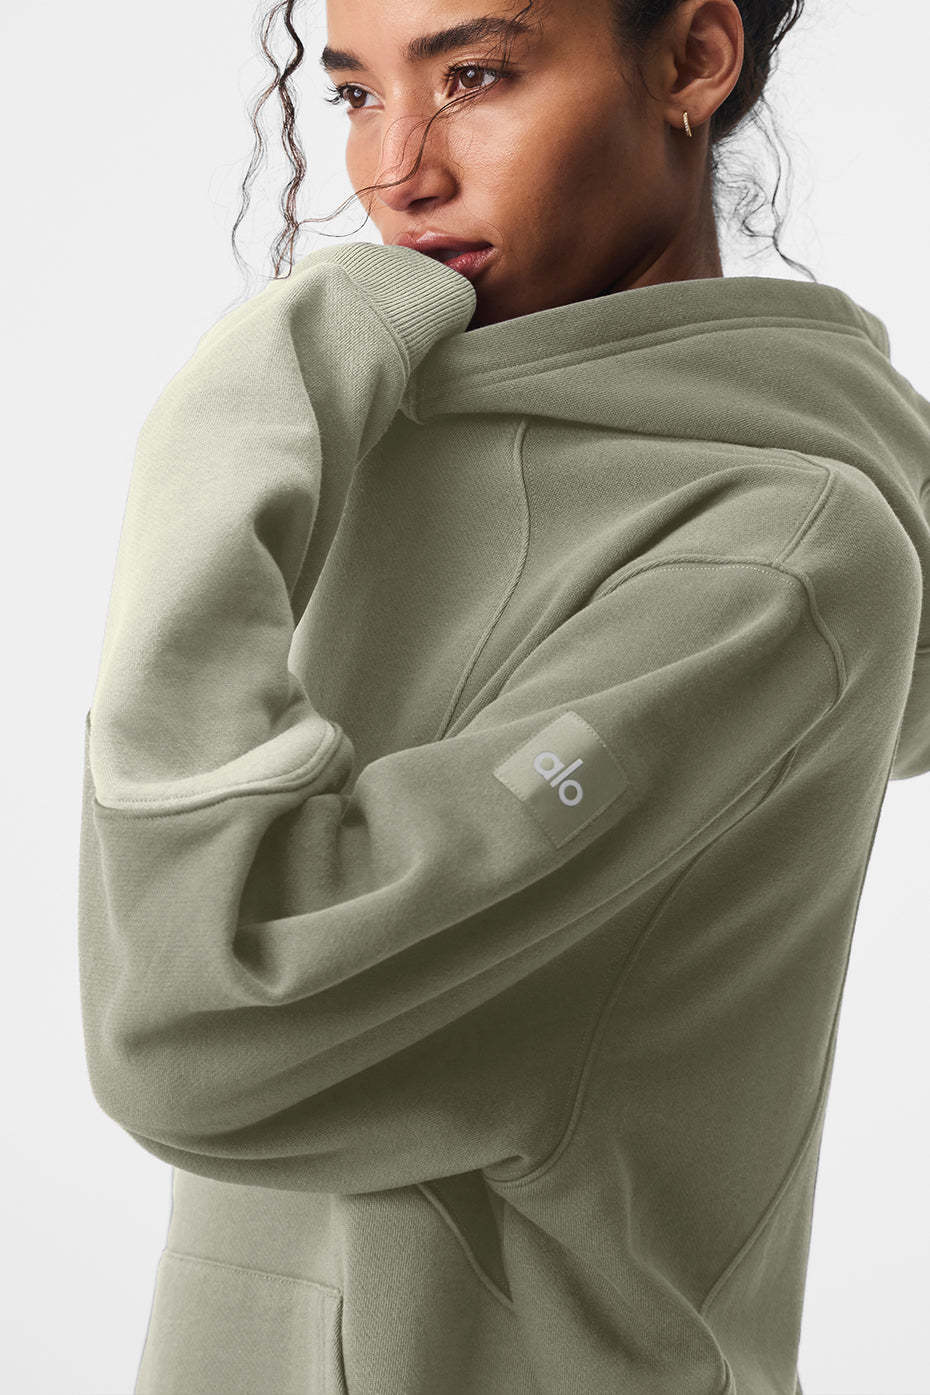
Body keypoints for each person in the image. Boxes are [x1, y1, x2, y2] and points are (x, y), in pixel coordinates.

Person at [76, 1, 930, 1392]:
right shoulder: (400, 440)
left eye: (473, 77)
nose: (396, 171)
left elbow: (199, 1033)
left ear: (692, 60)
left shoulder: (765, 559)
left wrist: (227, 430)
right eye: (355, 94)